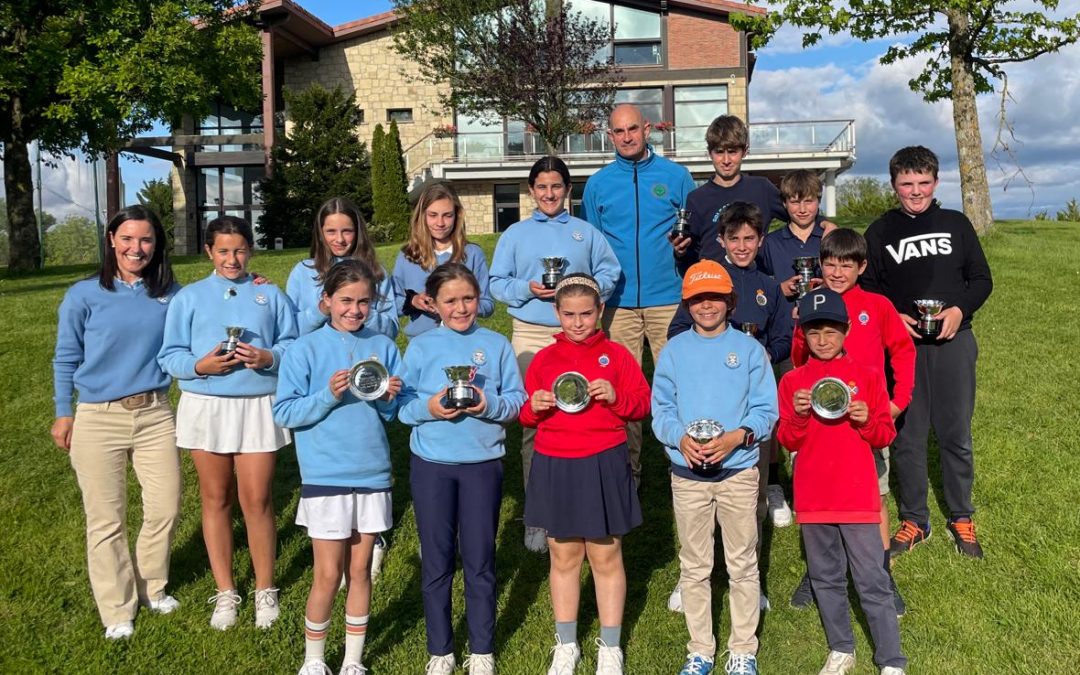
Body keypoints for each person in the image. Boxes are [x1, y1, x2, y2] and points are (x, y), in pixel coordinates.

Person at [158, 215, 298, 630]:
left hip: (257, 404)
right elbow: (170, 355)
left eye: (239, 250)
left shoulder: (269, 294)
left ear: (250, 250)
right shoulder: (189, 297)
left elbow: (294, 346)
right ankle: (225, 591)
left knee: (257, 499)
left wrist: (268, 357)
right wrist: (199, 366)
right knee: (216, 497)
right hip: (206, 405)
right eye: (223, 250)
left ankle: (265, 588)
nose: (232, 258)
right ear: (208, 252)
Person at [51, 205, 183, 640]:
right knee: (106, 519)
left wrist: (246, 284)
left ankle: (152, 587)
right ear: (111, 240)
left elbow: (203, 314)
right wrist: (63, 411)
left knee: (165, 507)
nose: (136, 248)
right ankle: (117, 609)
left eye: (146, 240)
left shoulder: (168, 291)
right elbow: (66, 357)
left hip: (155, 413)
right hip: (97, 417)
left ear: (156, 244)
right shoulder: (83, 294)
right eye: (127, 238)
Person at [861, 146, 993, 559]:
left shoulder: (955, 224)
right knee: (908, 435)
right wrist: (891, 317)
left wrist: (959, 309)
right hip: (903, 348)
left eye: (923, 183)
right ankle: (915, 519)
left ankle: (961, 515)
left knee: (955, 432)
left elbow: (981, 279)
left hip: (955, 342)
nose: (915, 192)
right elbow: (868, 287)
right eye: (906, 184)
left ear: (935, 182)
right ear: (894, 184)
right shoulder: (880, 231)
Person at [273, 260, 404, 675]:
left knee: (360, 570)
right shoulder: (303, 349)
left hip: (371, 473)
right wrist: (326, 396)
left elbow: (392, 415)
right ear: (326, 301)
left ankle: (352, 660)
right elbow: (285, 412)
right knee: (328, 573)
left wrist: (389, 400)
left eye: (364, 301)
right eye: (346, 300)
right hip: (325, 475)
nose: (355, 309)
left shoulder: (384, 347)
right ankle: (313, 661)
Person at [397, 263, 527, 675]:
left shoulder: (496, 344)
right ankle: (441, 649)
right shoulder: (419, 348)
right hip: (432, 465)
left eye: (468, 298)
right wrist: (430, 408)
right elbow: (402, 408)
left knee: (480, 558)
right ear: (433, 305)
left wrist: (488, 406)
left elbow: (517, 402)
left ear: (479, 298)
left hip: (482, 466)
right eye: (450, 301)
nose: (461, 307)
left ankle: (482, 648)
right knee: (436, 560)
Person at [664, 201, 792, 615]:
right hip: (702, 406)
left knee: (748, 499)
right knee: (695, 506)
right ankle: (691, 581)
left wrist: (760, 354)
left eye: (749, 239)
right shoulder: (703, 281)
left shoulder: (768, 286)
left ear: (759, 241)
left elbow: (783, 338)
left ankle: (747, 582)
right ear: (721, 241)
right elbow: (679, 332)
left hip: (746, 405)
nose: (741, 246)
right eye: (733, 238)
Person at [519, 274, 650, 675]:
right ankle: (567, 643)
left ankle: (610, 647)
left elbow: (642, 405)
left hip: (603, 460)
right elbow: (524, 415)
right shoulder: (544, 360)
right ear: (557, 314)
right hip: (556, 460)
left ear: (599, 313)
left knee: (606, 553)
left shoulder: (617, 354)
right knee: (563, 554)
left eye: (586, 314)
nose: (578, 322)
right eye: (569, 314)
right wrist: (536, 405)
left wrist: (616, 397)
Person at [651, 260, 778, 675]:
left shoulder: (749, 350)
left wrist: (737, 437)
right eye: (698, 299)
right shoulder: (673, 351)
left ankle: (743, 649)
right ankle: (700, 649)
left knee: (742, 563)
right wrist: (680, 439)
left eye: (715, 298)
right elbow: (662, 411)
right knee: (695, 564)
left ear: (730, 301)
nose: (707, 306)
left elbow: (766, 410)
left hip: (739, 470)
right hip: (687, 475)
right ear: (687, 304)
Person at [490, 155, 621, 553]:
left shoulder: (586, 233)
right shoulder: (515, 234)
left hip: (580, 334)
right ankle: (538, 515)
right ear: (531, 191)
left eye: (557, 186)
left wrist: (580, 290)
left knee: (586, 415)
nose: (549, 194)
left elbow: (610, 273)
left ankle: (591, 503)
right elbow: (497, 282)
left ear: (568, 190)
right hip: (532, 332)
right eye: (542, 187)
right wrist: (528, 290)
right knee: (536, 420)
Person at [777, 288, 907, 675]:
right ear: (804, 333)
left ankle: (891, 659)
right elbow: (787, 439)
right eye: (814, 332)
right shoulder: (793, 382)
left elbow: (885, 436)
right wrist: (799, 415)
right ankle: (841, 648)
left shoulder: (867, 377)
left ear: (847, 331)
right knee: (825, 577)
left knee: (872, 578)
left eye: (831, 332)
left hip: (857, 495)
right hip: (814, 496)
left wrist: (868, 417)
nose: (822, 340)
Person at [788, 229, 915, 614]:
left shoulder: (876, 306)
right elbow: (798, 359)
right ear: (820, 264)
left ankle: (882, 573)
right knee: (816, 498)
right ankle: (818, 572)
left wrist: (896, 403)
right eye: (830, 263)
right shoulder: (810, 306)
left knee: (873, 497)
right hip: (817, 428)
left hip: (863, 424)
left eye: (846, 264)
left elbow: (903, 351)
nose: (837, 271)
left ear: (861, 266)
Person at [583, 103, 696, 486]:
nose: (627, 137)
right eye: (619, 131)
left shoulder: (677, 177)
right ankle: (628, 471)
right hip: (617, 303)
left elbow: (692, 233)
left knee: (676, 385)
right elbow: (593, 246)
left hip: (669, 298)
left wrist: (685, 245)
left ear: (648, 129)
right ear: (609, 135)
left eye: (633, 128)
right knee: (621, 391)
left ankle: (681, 462)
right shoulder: (598, 184)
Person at [678, 115, 808, 275]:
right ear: (709, 153)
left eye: (732, 152)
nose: (726, 160)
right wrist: (680, 253)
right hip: (714, 288)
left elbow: (799, 215)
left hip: (757, 286)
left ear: (744, 151)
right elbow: (690, 256)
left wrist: (824, 224)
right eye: (719, 152)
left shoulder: (762, 188)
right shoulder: (696, 199)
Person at [287, 196, 398, 339]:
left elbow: (391, 331)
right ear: (320, 233)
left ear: (358, 232)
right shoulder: (302, 272)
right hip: (318, 356)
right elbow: (289, 330)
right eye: (331, 231)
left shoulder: (376, 271)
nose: (339, 239)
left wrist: (363, 310)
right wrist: (321, 310)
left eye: (347, 231)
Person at [392, 182, 494, 338]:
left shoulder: (472, 254)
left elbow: (487, 304)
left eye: (447, 215)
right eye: (433, 215)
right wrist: (414, 301)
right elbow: (392, 303)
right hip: (421, 343)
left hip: (463, 340)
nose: (440, 223)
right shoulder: (408, 256)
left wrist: (458, 305)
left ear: (457, 215)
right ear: (422, 215)